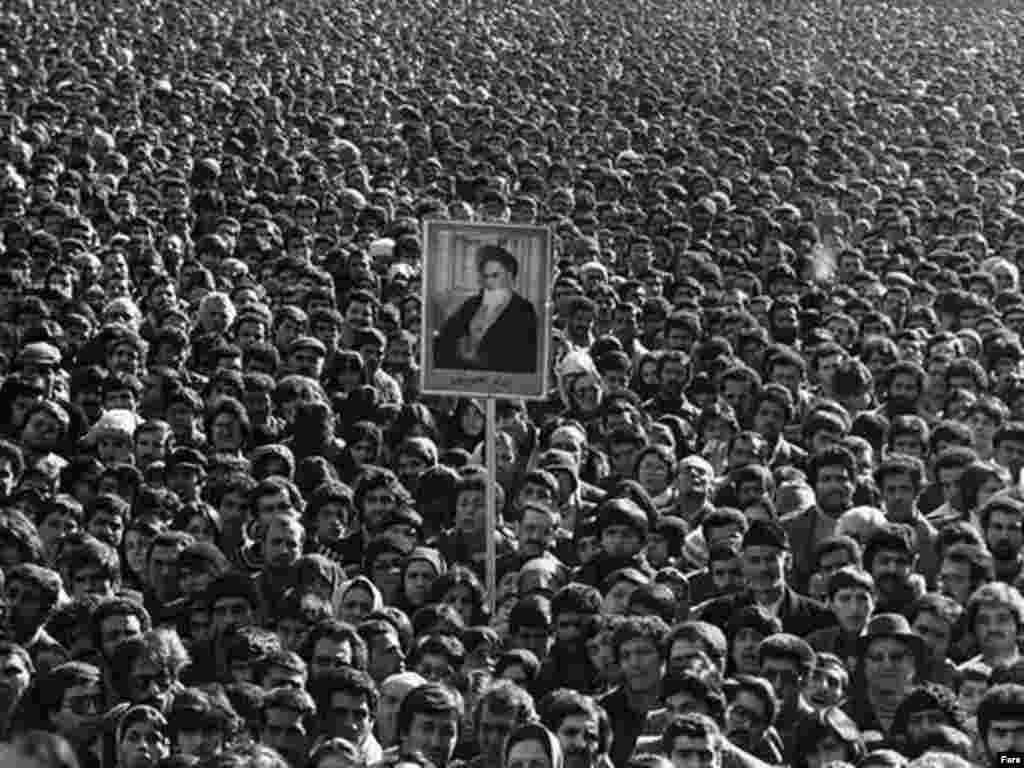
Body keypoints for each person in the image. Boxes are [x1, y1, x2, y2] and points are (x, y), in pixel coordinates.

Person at [433, 244, 540, 374]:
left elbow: (525, 357)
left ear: (510, 277)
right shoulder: (472, 305)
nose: (488, 282)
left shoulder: (523, 310)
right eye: (485, 276)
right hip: (465, 380)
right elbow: (446, 338)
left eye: (495, 276)